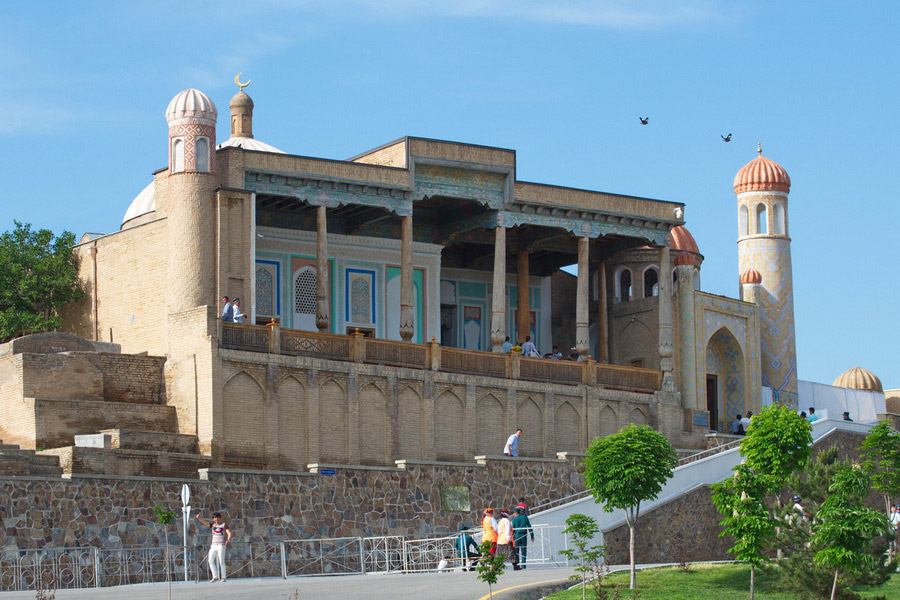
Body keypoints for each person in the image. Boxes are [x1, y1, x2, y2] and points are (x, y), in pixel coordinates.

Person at [196, 511, 232, 582]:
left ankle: (223, 577)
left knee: (221, 561)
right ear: (213, 519)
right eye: (215, 518)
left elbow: (229, 533)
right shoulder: (212, 525)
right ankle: (215, 576)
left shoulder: (224, 525)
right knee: (210, 561)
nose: (216, 519)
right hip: (213, 545)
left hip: (221, 545)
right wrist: (199, 518)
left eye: (218, 518)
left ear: (220, 518)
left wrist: (228, 540)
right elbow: (205, 523)